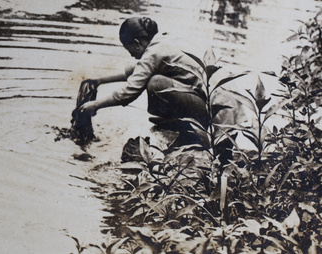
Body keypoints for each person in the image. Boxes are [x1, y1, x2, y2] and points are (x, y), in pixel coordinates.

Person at [75, 16, 240, 159]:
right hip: (231, 105)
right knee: (156, 79)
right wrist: (99, 81)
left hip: (218, 113)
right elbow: (139, 69)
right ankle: (184, 126)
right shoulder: (164, 41)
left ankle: (186, 128)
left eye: (130, 50)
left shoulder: (154, 53)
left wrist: (96, 105)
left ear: (137, 43)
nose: (131, 54)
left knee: (155, 83)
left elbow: (129, 92)